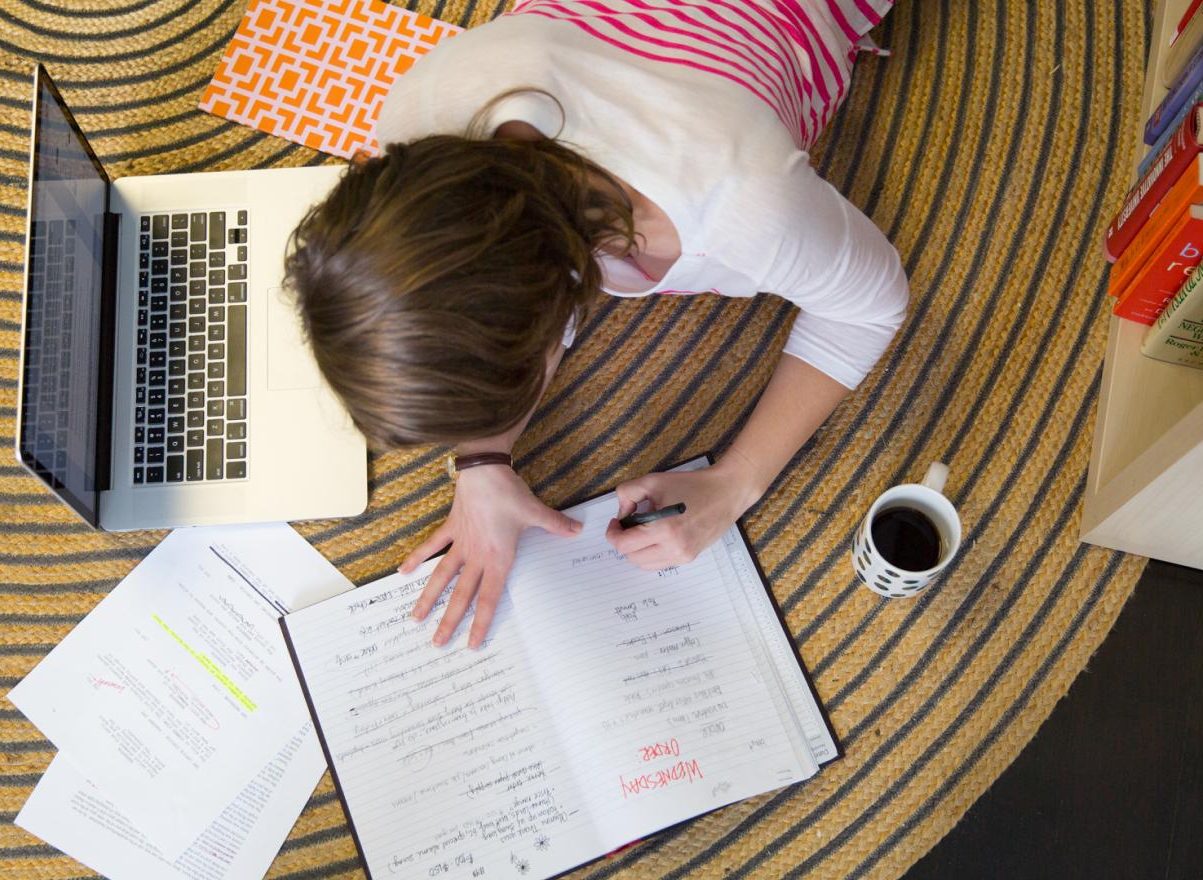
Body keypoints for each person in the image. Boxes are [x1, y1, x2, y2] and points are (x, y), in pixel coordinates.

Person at [286, 0, 908, 650]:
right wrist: (482, 459)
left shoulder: (745, 210)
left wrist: (736, 481)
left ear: (565, 305)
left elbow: (871, 304)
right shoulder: (415, 114)